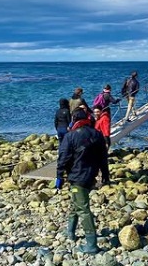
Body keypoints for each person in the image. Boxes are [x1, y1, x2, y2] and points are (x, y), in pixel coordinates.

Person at [56, 108, 110, 254]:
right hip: (90, 175)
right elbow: (103, 156)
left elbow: (63, 157)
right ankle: (70, 233)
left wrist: (59, 176)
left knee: (83, 209)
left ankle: (91, 244)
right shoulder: (97, 134)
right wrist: (105, 174)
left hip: (77, 177)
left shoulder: (70, 136)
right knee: (76, 203)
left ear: (74, 119)